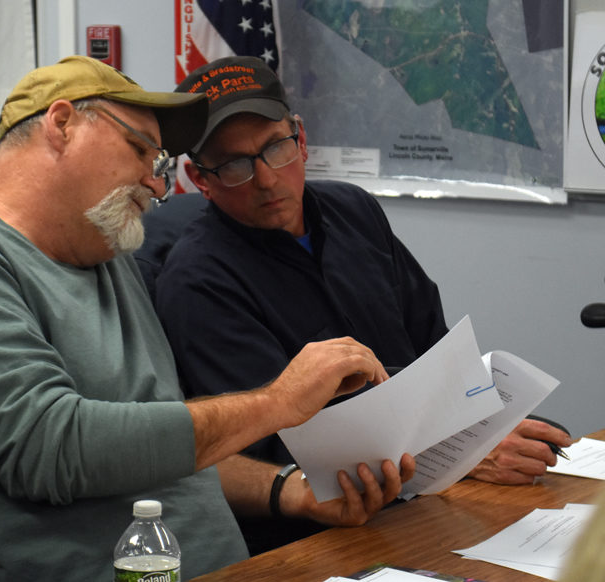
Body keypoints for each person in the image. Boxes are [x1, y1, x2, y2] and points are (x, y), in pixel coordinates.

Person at [0, 56, 414, 581]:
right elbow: (50, 451)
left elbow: (157, 452)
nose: (158, 183)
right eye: (142, 150)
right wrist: (276, 403)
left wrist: (287, 491)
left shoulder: (109, 261)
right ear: (61, 124)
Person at [149, 55, 573, 554]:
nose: (266, 179)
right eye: (235, 165)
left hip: (432, 498)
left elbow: (433, 350)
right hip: (319, 532)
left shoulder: (353, 210)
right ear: (201, 179)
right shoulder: (196, 279)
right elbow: (283, 437)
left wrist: (482, 427)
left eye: (276, 148)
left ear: (302, 140)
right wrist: (460, 446)